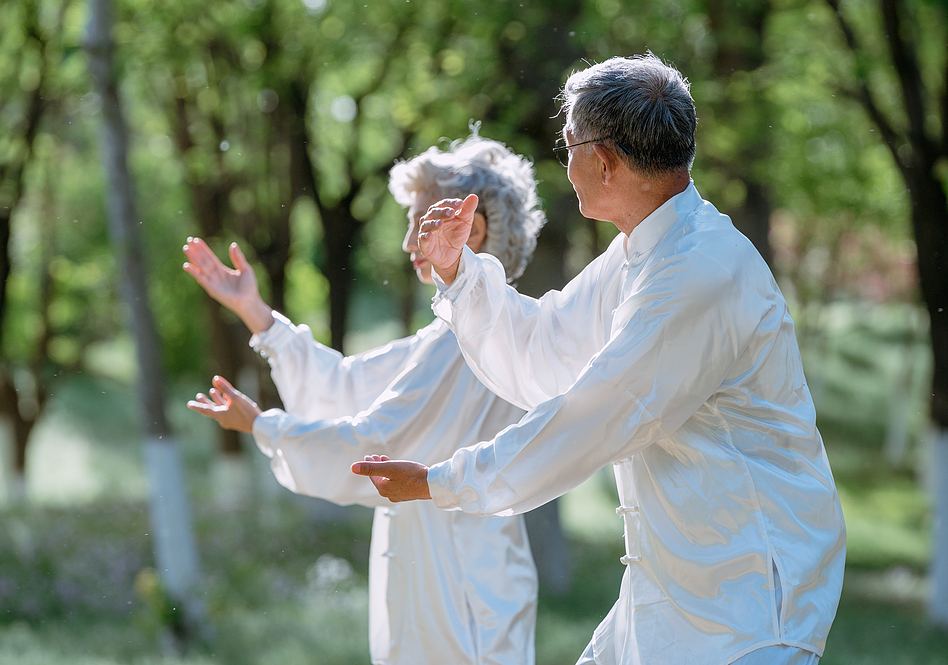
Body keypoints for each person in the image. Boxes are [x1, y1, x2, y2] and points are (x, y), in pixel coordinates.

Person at [352, 54, 847, 665]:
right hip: (675, 595)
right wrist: (459, 273)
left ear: (605, 160)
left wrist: (441, 481)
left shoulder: (701, 271)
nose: (567, 165)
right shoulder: (645, 251)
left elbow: (597, 413)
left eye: (568, 147)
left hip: (747, 610)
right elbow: (546, 345)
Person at [182, 133, 546, 665]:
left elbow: (377, 439)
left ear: (473, 228)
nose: (406, 245)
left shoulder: (472, 335)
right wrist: (258, 315)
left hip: (461, 586)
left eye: (419, 223)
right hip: (453, 573)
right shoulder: (458, 330)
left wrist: (264, 427)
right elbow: (350, 385)